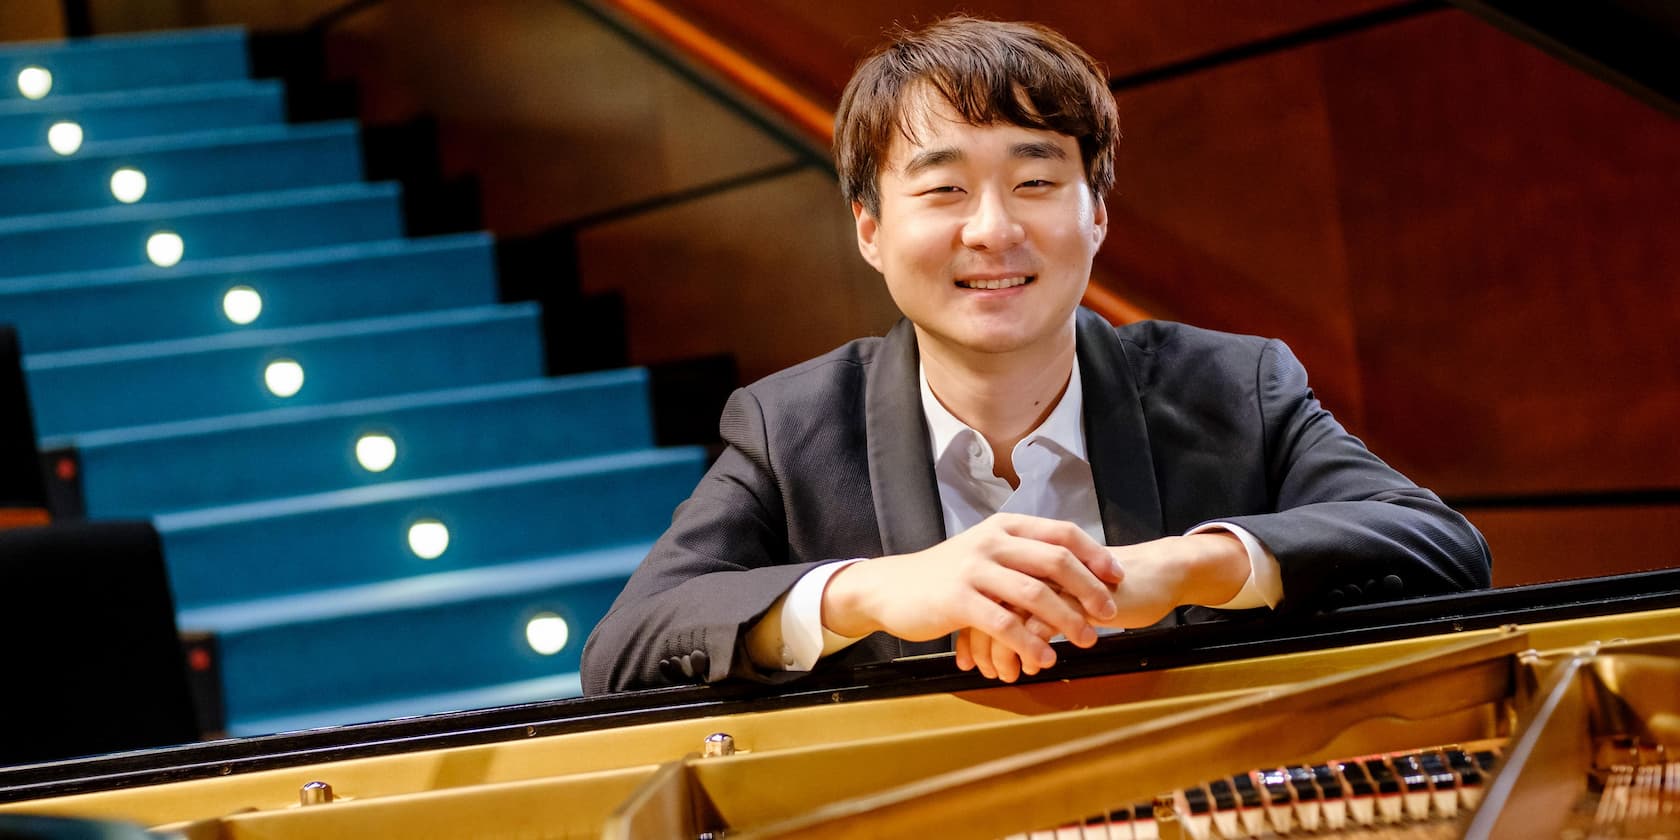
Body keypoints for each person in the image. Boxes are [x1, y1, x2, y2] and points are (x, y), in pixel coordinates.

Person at [580, 16, 1490, 695]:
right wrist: (876, 590)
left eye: (1036, 182)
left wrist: (1174, 567)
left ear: (1095, 213)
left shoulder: (1233, 384)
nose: (993, 229)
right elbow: (625, 649)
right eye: (942, 190)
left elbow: (1440, 545)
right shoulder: (791, 425)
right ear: (870, 230)